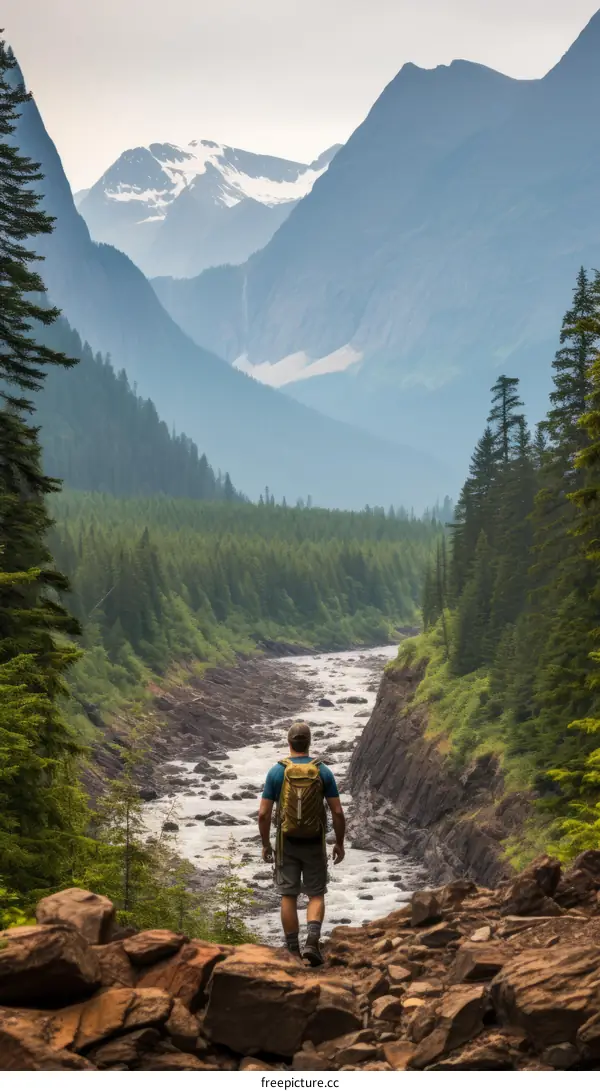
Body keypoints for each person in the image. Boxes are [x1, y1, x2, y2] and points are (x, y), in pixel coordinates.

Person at [258, 720, 345, 966]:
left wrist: (266, 844)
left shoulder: (277, 771)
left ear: (289, 742)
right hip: (315, 841)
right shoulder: (322, 771)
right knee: (316, 893)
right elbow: (337, 812)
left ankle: (293, 950)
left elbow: (263, 814)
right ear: (309, 742)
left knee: (288, 894)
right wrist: (339, 843)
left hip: (287, 842)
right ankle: (312, 943)